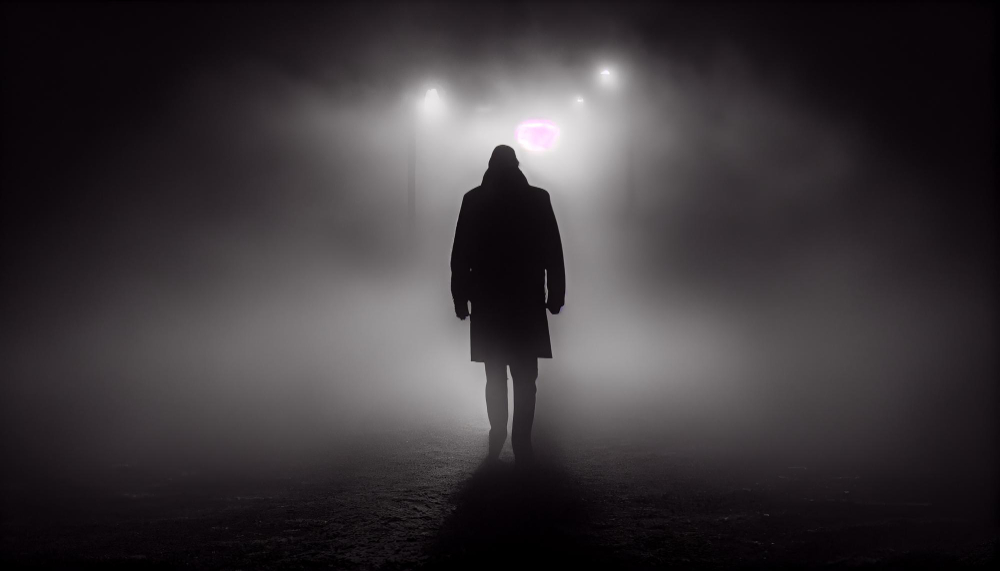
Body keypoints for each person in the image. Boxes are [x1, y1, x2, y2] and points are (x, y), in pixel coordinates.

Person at [450, 145, 565, 465]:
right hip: (526, 300)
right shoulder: (538, 199)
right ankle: (522, 440)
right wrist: (556, 294)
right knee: (526, 377)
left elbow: (460, 256)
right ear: (517, 165)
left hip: (488, 301)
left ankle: (497, 431)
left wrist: (460, 297)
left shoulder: (473, 200)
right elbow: (553, 251)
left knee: (494, 374)